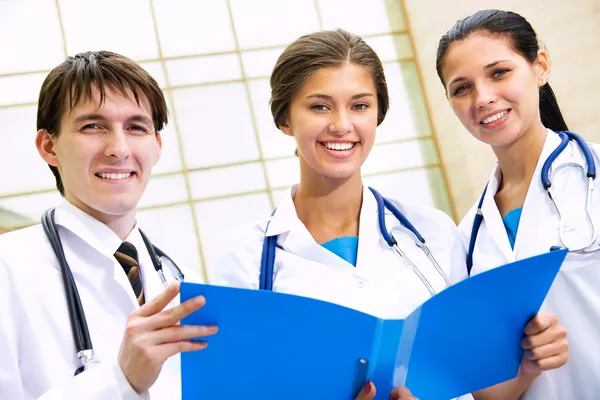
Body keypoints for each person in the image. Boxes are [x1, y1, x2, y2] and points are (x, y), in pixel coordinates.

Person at [213, 29, 566, 400]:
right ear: (285, 119)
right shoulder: (247, 258)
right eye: (319, 106)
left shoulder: (434, 233)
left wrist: (526, 366)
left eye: (360, 105)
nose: (341, 124)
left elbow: (480, 388)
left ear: (378, 114)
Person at [0, 51, 217, 399]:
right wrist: (120, 379)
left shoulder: (185, 281)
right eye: (93, 126)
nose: (118, 148)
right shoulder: (8, 270)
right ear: (48, 146)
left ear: (157, 146)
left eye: (136, 127)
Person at [436, 9, 596, 399]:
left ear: (540, 67)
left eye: (499, 73)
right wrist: (527, 366)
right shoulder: (468, 238)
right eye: (462, 88)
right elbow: (489, 392)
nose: (483, 98)